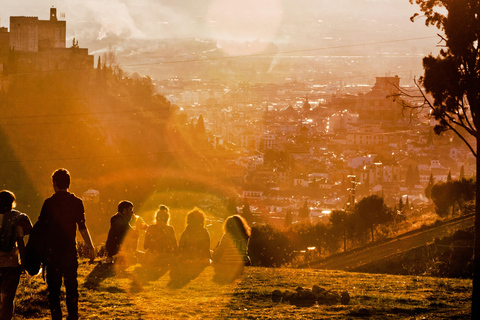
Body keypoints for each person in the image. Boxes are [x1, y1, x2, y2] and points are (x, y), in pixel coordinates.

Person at [37, 168, 95, 320]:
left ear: (54, 183)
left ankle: (56, 317)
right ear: (69, 183)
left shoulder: (49, 203)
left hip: (52, 253)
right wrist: (91, 246)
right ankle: (73, 316)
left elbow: (40, 227)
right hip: (69, 251)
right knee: (71, 285)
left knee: (54, 289)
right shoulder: (76, 202)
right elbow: (82, 227)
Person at [0, 190, 32, 320]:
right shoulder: (16, 219)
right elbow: (20, 241)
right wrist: (23, 261)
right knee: (8, 298)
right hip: (11, 263)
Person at [212, 215, 251, 281]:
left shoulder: (227, 236)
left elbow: (220, 251)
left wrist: (214, 253)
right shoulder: (245, 236)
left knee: (214, 251)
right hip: (241, 266)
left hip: (227, 263)